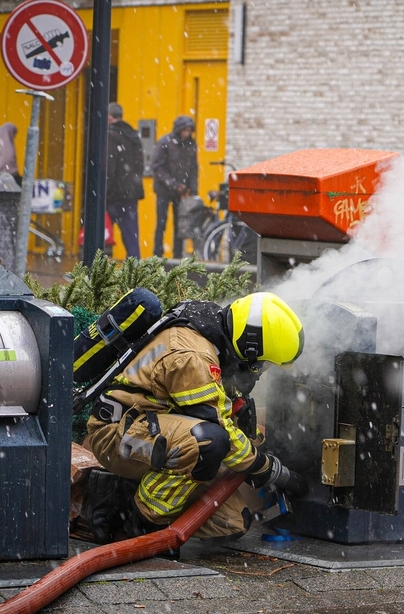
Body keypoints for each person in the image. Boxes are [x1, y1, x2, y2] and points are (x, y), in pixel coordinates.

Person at [82, 292, 307, 546]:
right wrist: (268, 469)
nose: (261, 372)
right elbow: (221, 432)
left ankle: (125, 492)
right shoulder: (194, 356)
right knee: (208, 443)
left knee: (231, 524)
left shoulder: (215, 333)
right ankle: (138, 522)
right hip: (117, 435)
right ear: (251, 346)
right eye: (263, 364)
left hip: (153, 433)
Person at [150, 115, 198, 258]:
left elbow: (193, 169)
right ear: (179, 130)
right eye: (185, 130)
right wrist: (173, 184)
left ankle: (177, 255)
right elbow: (157, 167)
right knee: (161, 223)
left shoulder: (191, 144)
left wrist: (193, 190)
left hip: (181, 191)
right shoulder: (165, 142)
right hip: (164, 190)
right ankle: (157, 254)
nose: (187, 133)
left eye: (189, 130)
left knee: (180, 225)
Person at [106, 103, 145, 258]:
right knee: (131, 235)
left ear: (109, 118)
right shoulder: (133, 136)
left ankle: (91, 270)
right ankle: (135, 270)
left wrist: (104, 190)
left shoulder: (110, 135)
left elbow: (109, 167)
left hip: (113, 194)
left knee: (100, 233)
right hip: (130, 194)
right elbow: (140, 165)